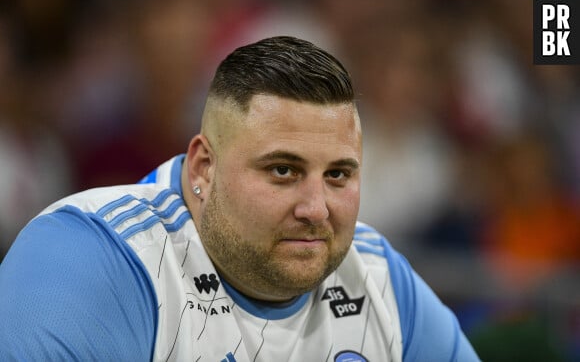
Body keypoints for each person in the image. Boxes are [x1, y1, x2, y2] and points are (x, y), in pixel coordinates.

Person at [0, 36, 479, 361]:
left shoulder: (381, 282)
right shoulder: (92, 261)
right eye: (283, 170)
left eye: (338, 174)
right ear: (203, 167)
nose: (315, 208)